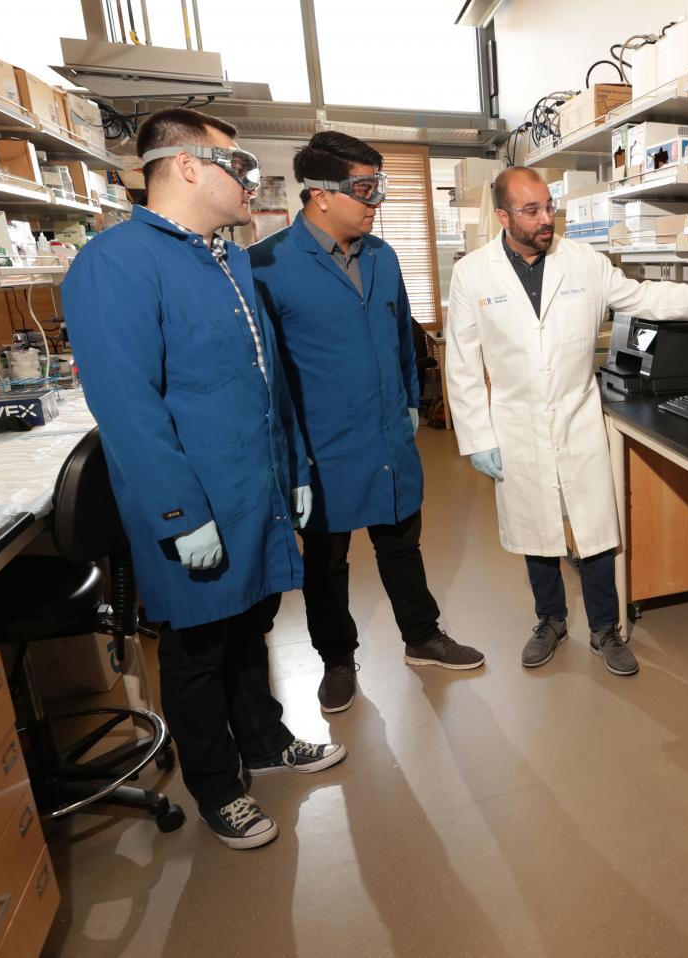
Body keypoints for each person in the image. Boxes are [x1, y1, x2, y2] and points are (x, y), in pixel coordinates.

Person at [63, 108, 344, 850]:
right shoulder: (116, 263)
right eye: (237, 165)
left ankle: (264, 740)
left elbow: (269, 382)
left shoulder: (227, 259)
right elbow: (128, 408)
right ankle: (218, 786)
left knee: (250, 625)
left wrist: (293, 469)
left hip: (254, 487)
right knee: (197, 649)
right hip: (195, 498)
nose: (251, 180)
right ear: (186, 166)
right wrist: (179, 513)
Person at [444, 166, 688, 678]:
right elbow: (461, 361)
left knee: (594, 530)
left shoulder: (584, 261)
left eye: (549, 207)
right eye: (531, 210)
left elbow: (644, 296)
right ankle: (550, 620)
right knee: (535, 529)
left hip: (577, 413)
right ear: (502, 216)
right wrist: (478, 436)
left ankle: (605, 628)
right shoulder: (473, 274)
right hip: (516, 422)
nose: (546, 219)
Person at [250, 132, 483, 715]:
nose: (376, 200)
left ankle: (422, 636)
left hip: (388, 436)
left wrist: (409, 401)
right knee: (326, 562)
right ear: (320, 194)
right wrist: (290, 459)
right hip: (321, 450)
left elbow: (402, 336)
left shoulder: (382, 256)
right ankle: (336, 659)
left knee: (402, 543)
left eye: (380, 185)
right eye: (364, 187)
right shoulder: (267, 266)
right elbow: (268, 376)